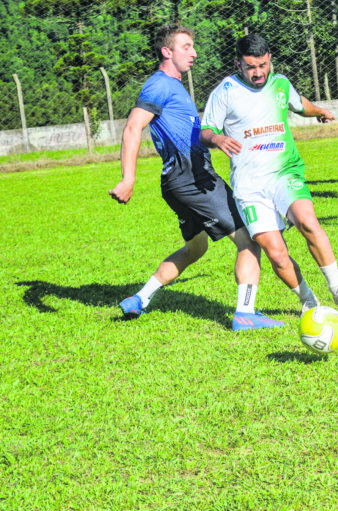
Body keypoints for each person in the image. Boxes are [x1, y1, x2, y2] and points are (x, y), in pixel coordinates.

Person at [109, 24, 303, 331]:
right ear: (167, 52)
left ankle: (140, 298)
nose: (194, 52)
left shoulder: (173, 85)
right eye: (186, 47)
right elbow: (133, 127)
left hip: (176, 183)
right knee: (250, 240)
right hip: (194, 179)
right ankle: (245, 314)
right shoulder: (159, 85)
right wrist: (128, 178)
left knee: (195, 249)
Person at [200, 33, 338, 311]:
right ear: (238, 64)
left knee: (308, 222)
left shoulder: (280, 84)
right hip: (249, 187)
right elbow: (205, 130)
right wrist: (217, 139)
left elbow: (300, 104)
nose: (258, 73)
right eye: (251, 67)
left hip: (284, 172)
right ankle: (308, 300)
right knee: (276, 254)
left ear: (269, 60)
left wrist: (319, 111)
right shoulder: (225, 91)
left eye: (263, 65)